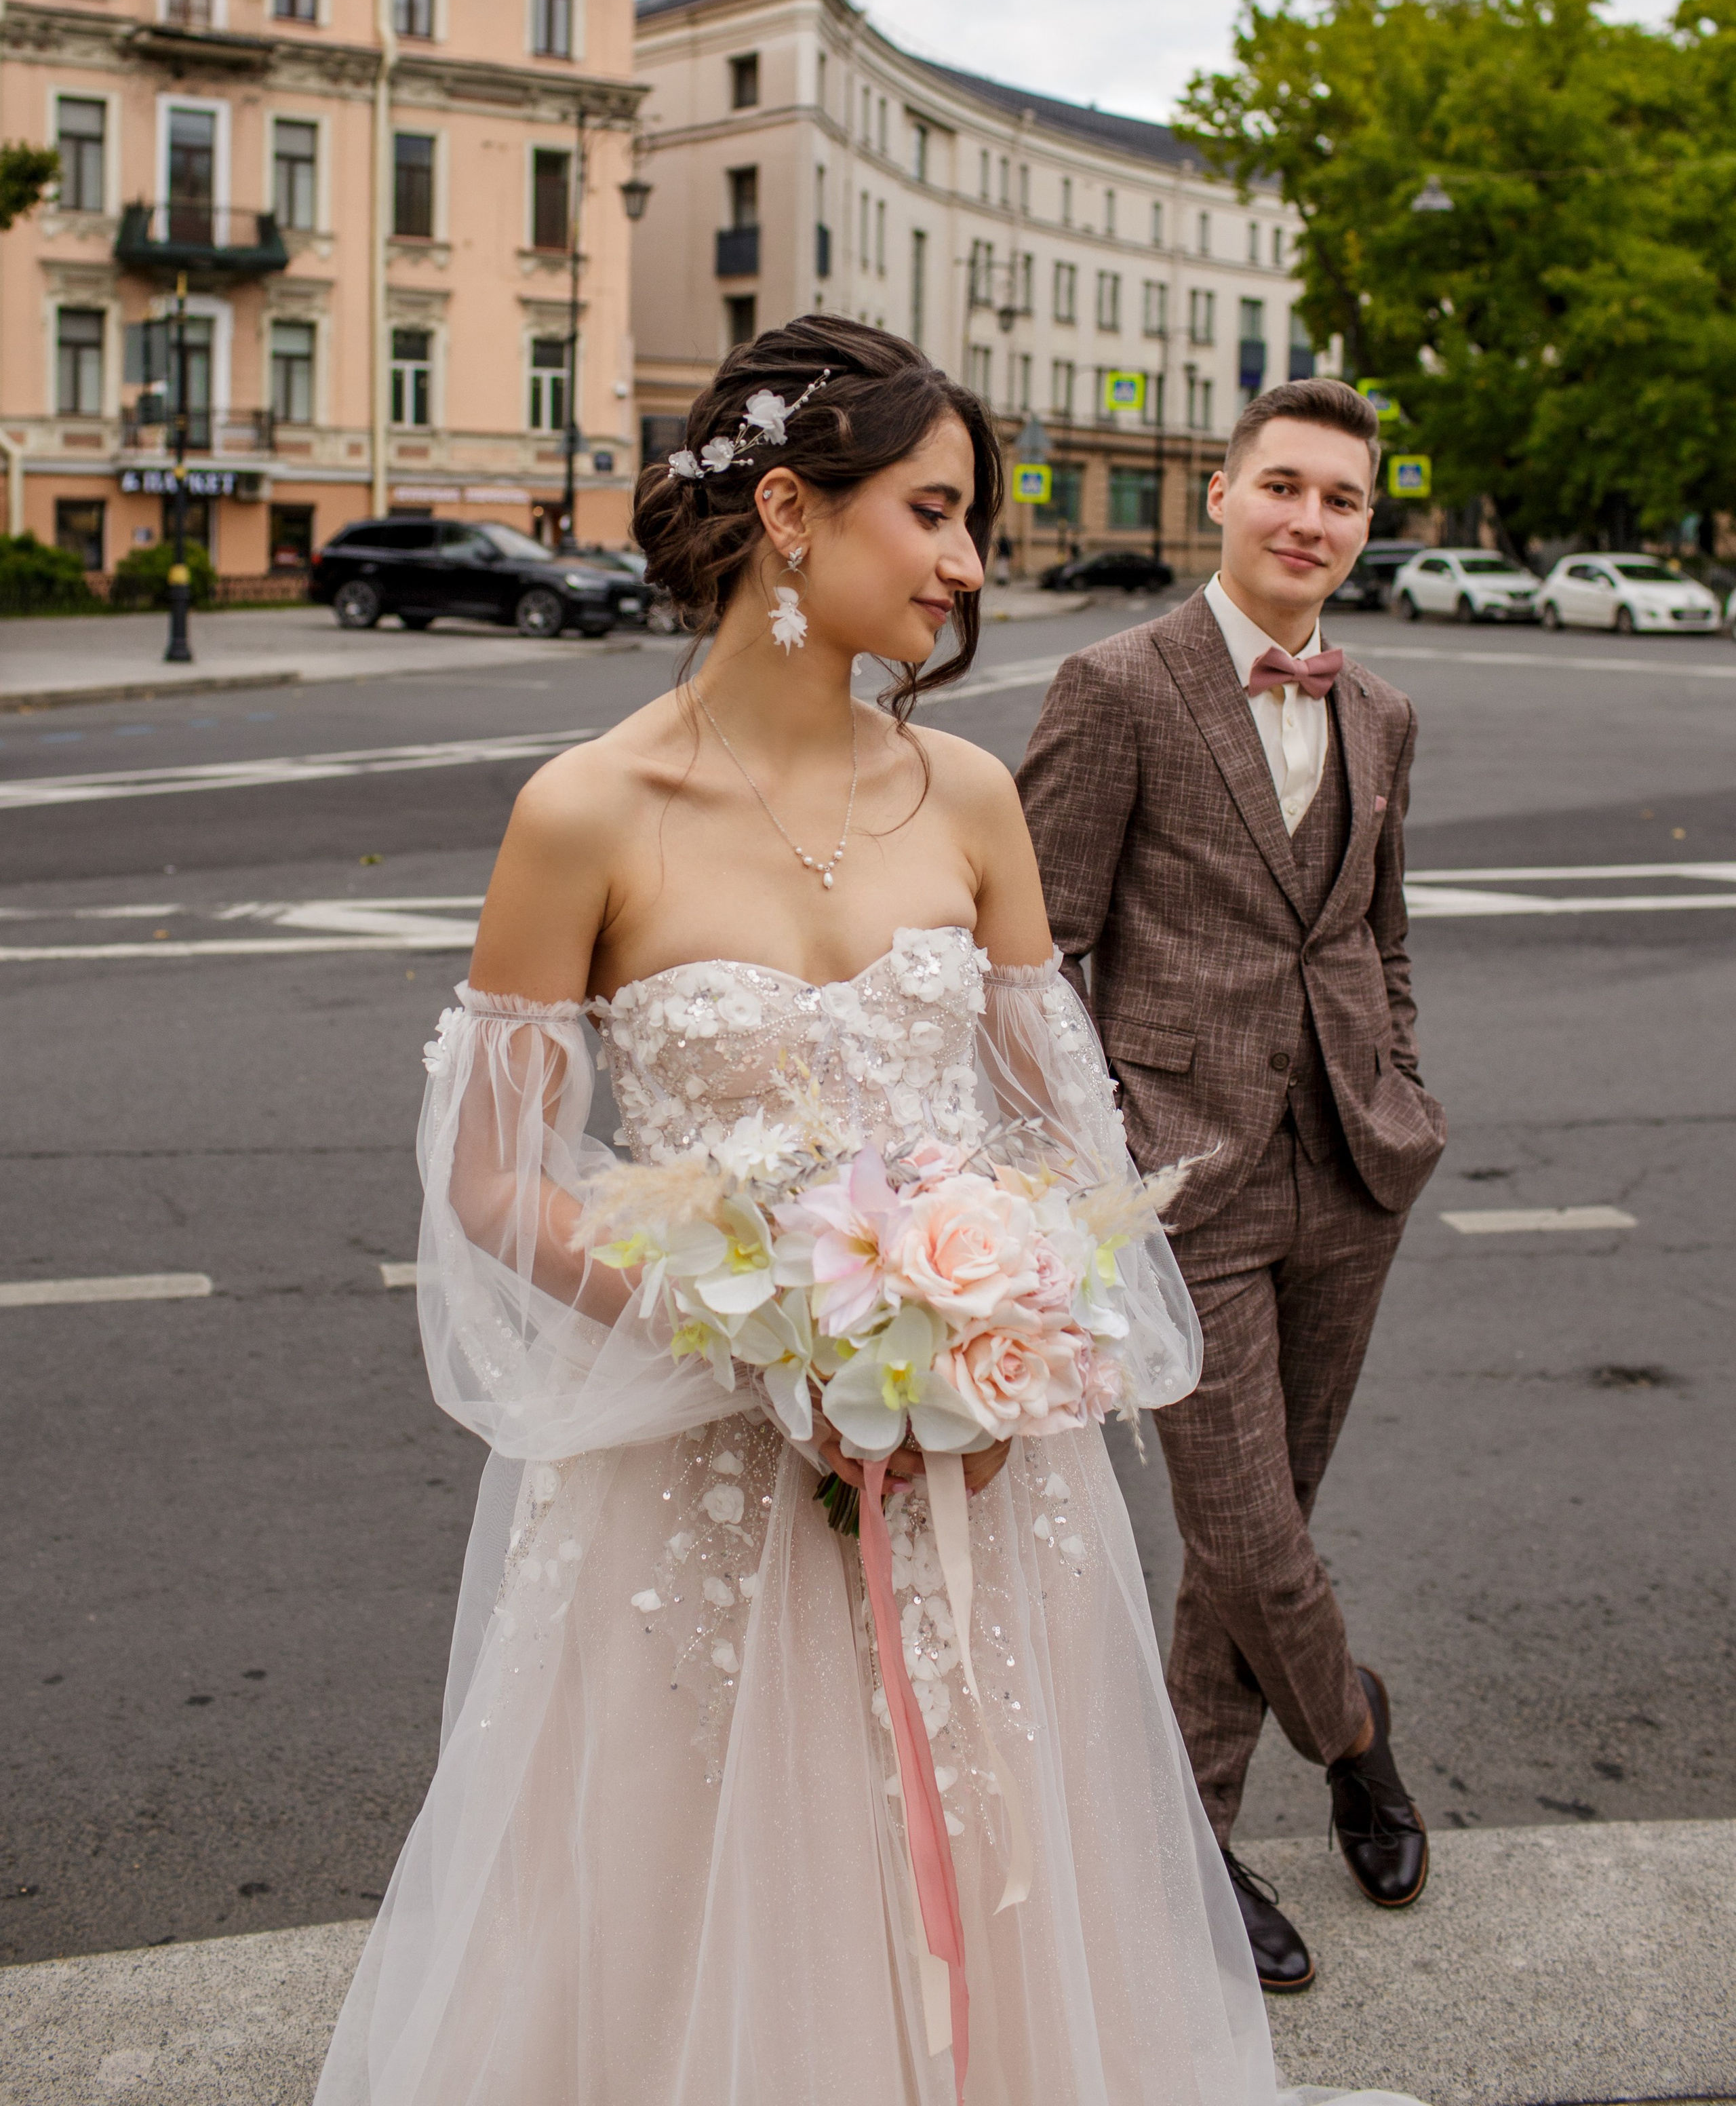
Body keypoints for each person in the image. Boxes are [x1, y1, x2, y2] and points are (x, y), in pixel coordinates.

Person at [314, 321, 1422, 2106]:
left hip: (980, 1473)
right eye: (933, 512)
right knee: (699, 1900)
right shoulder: (584, 813)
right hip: (702, 1474)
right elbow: (495, 1179)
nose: (970, 565)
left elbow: (1063, 1131)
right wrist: (758, 1341)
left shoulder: (966, 796)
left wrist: (995, 1318)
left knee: (1001, 1871)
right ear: (787, 513)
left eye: (969, 520)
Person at [1017, 378, 1447, 1995]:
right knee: (1245, 1532)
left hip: (1351, 1165)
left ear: (1363, 523)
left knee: (1257, 1542)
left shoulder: (1381, 712)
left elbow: (1376, 932)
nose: (1307, 521)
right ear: (1219, 494)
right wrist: (1111, 1152)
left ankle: (1189, 1843)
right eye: (1282, 486)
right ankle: (1352, 1729)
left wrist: (1400, 1081)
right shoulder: (1115, 684)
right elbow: (1035, 954)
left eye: (1339, 499)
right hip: (1180, 1187)